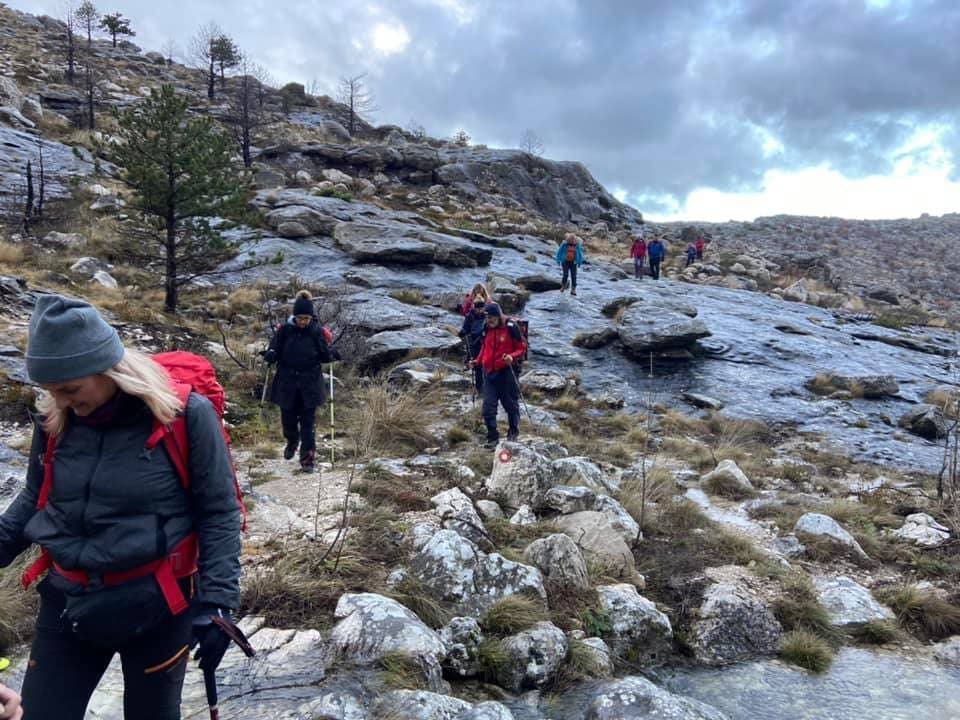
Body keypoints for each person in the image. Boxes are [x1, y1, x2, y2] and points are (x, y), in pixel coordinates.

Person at [0, 294, 242, 720]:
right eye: (51, 391)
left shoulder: (185, 416)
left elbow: (218, 512)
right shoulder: (55, 419)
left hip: (158, 606)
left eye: (70, 389)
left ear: (106, 368)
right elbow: (35, 501)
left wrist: (217, 604)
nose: (61, 401)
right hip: (68, 600)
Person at [264, 290, 338, 473]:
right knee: (288, 420)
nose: (303, 321)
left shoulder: (317, 331)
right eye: (300, 318)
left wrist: (331, 354)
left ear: (311, 317)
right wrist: (270, 354)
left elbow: (324, 355)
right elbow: (275, 347)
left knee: (308, 423)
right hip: (287, 382)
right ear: (294, 317)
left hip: (309, 383)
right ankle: (292, 441)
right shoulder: (284, 330)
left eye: (306, 318)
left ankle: (307, 459)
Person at [471, 303, 526, 448]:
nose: (489, 320)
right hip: (489, 372)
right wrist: (477, 361)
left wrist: (512, 356)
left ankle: (513, 433)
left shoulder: (510, 327)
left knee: (510, 404)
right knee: (488, 407)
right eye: (487, 317)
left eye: (492, 317)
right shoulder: (486, 328)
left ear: (498, 316)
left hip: (507, 372)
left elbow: (521, 347)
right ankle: (492, 438)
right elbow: (485, 347)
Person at [458, 297, 487, 394]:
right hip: (474, 343)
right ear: (474, 307)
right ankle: (479, 389)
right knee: (478, 367)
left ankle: (485, 387)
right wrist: (462, 332)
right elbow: (465, 329)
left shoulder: (487, 316)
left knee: (485, 365)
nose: (480, 310)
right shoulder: (469, 316)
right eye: (478, 308)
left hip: (484, 342)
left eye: (481, 308)